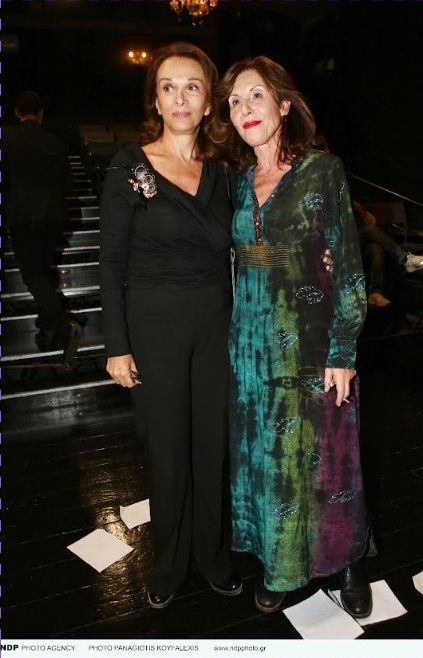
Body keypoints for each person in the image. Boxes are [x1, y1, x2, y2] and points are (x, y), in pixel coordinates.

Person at [215, 56, 372, 618]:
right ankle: (279, 564)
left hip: (311, 342)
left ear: (284, 105)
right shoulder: (235, 183)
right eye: (234, 100)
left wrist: (343, 350)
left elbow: (349, 266)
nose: (245, 109)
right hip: (250, 347)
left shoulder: (322, 170)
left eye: (256, 95)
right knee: (266, 458)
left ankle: (348, 562)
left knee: (330, 459)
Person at [99, 42, 242, 609]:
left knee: (212, 446)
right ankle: (169, 562)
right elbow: (111, 261)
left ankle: (213, 556)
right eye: (168, 86)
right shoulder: (129, 166)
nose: (180, 98)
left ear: (208, 103)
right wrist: (117, 345)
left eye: (192, 86)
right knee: (167, 450)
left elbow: (252, 241)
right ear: (155, 100)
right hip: (154, 325)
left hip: (216, 324)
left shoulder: (224, 172)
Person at [3, 90, 81, 352]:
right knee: (44, 272)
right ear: (41, 114)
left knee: (32, 275)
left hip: (22, 216)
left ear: (17, 112)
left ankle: (60, 320)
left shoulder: (6, 138)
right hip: (53, 216)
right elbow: (68, 185)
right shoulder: (55, 142)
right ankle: (48, 325)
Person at [353, 201, 423, 308]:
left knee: (375, 248)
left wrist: (361, 212)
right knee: (370, 231)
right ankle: (405, 260)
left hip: (358, 244)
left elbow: (371, 221)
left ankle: (374, 293)